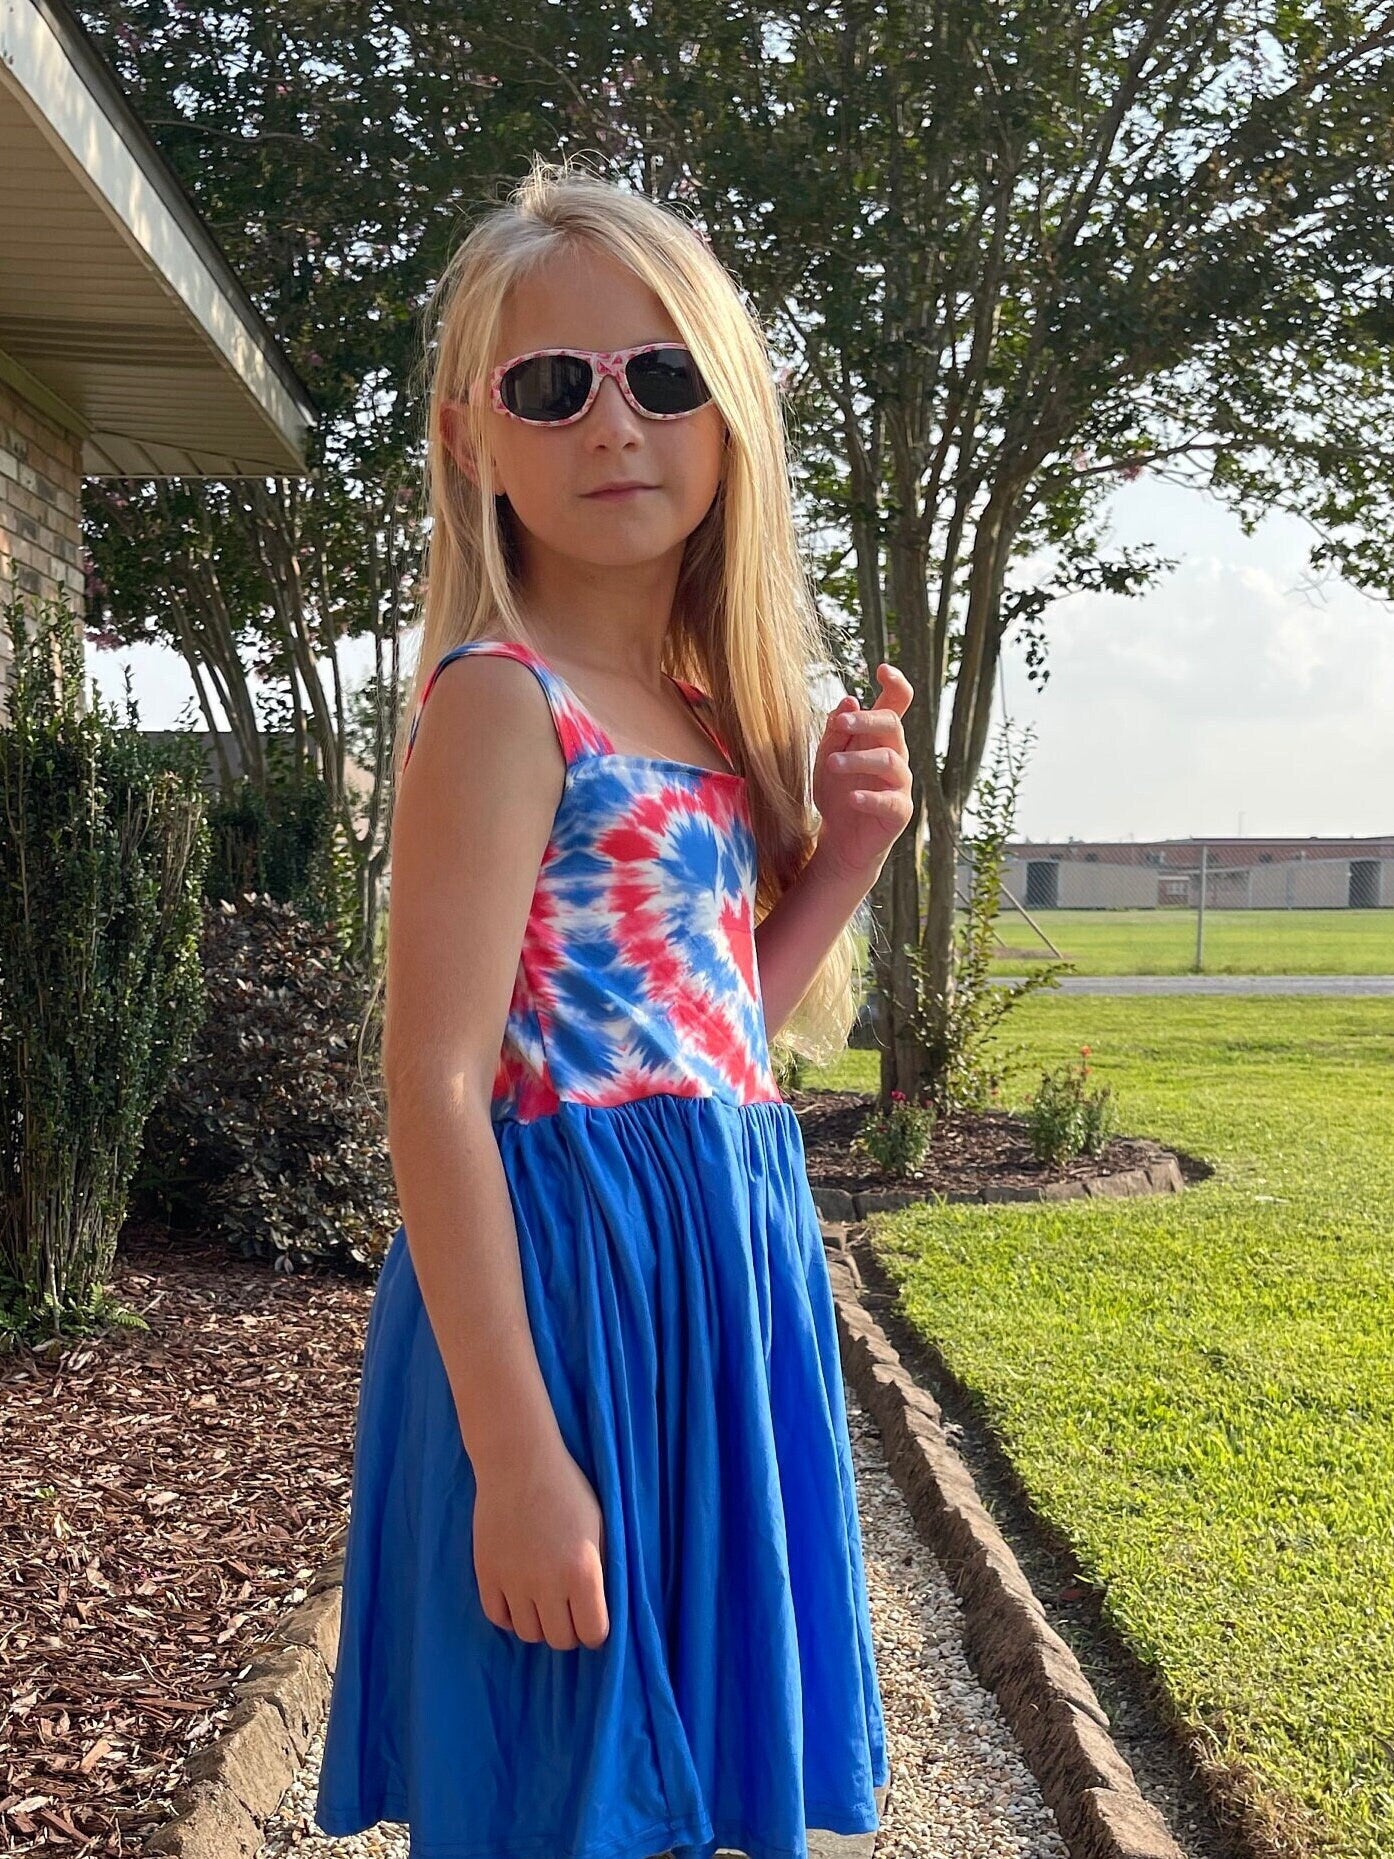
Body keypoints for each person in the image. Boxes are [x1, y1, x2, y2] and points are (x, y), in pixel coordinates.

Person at [313, 153, 914, 1859]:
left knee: (681, 1767)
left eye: (661, 378)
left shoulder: (701, 708)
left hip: (717, 1265)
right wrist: (514, 1456)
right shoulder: (502, 703)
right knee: (564, 1766)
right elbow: (434, 1089)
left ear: (726, 420)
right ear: (467, 435)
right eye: (550, 386)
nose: (613, 426)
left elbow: (715, 1038)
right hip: (562, 1300)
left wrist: (845, 852)